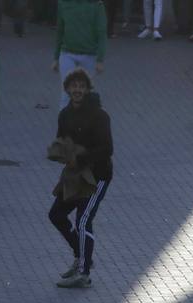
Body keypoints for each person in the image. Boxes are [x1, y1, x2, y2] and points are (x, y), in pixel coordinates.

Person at [49, 69, 113, 289]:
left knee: (84, 220)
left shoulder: (99, 115)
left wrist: (80, 156)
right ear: (67, 89)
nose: (77, 90)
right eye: (73, 86)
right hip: (75, 175)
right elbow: (62, 140)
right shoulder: (64, 114)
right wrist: (59, 152)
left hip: (98, 176)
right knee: (56, 214)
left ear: (87, 90)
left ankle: (84, 272)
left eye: (81, 86)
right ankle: (81, 255)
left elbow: (107, 149)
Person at [52, 0, 107, 107]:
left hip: (89, 55)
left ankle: (85, 122)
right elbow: (60, 31)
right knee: (66, 92)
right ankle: (63, 122)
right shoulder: (63, 3)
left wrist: (100, 59)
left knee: (86, 93)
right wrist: (56, 57)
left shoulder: (96, 5)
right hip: (67, 53)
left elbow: (102, 33)